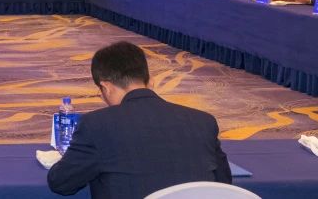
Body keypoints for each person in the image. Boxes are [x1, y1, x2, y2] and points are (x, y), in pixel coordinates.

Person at [47, 41, 230, 199]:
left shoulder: (97, 125)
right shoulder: (203, 121)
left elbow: (61, 183)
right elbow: (224, 184)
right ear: (149, 81)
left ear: (106, 87)